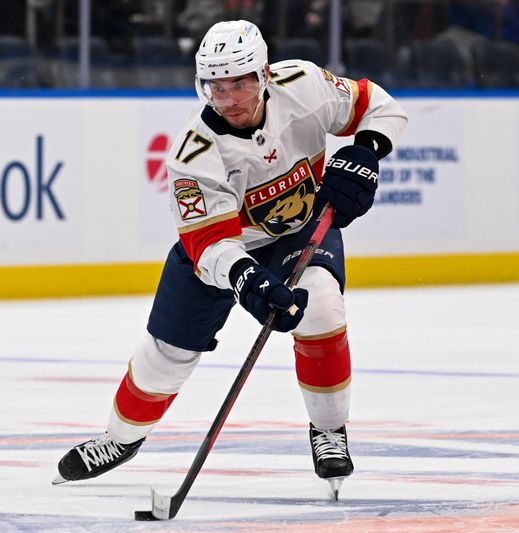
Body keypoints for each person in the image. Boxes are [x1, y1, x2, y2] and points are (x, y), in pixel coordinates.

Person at [53, 19, 407, 491]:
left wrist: (365, 150)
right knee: (166, 354)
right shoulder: (193, 153)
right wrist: (247, 279)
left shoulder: (303, 86)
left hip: (298, 233)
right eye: (217, 87)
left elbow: (380, 106)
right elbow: (209, 245)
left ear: (264, 75)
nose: (231, 98)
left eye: (239, 83)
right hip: (221, 251)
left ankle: (328, 430)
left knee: (321, 303)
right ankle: (121, 439)